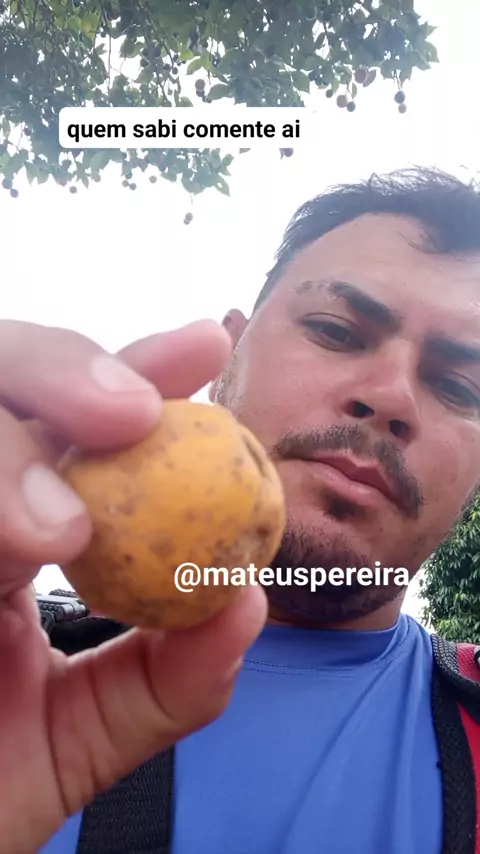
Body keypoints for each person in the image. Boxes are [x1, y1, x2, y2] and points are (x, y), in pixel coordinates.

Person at [3, 166, 480, 854]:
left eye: (459, 386)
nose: (390, 396)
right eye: (335, 331)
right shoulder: (21, 675)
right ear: (229, 350)